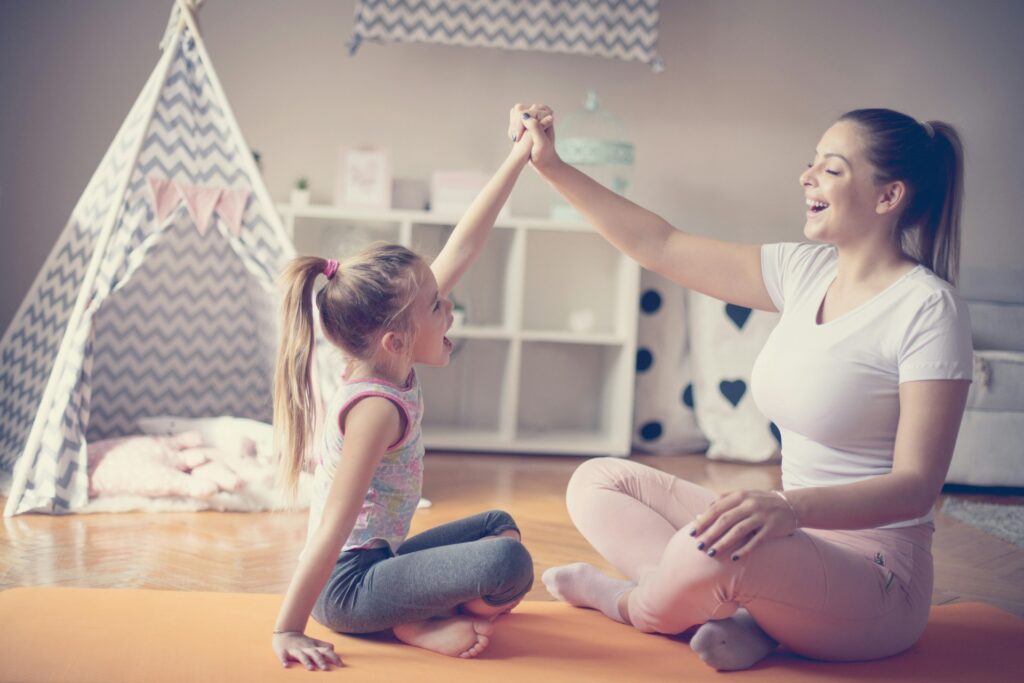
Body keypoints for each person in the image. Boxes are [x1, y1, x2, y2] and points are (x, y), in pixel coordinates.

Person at [509, 104, 972, 670]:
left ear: (887, 196)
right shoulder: (805, 273)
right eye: (812, 164)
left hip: (877, 580)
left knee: (711, 550)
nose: (807, 177)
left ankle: (627, 601)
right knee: (599, 481)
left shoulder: (928, 308)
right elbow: (661, 245)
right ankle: (749, 620)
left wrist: (788, 509)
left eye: (831, 168)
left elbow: (916, 487)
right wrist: (550, 165)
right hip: (792, 540)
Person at [269, 118, 552, 671]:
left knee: (497, 525)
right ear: (397, 340)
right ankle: (407, 624)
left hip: (381, 562)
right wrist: (287, 627)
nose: (449, 308)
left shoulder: (388, 351)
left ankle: (414, 612)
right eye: (437, 307)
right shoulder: (375, 409)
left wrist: (520, 156)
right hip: (348, 590)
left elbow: (464, 244)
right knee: (507, 563)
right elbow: (332, 526)